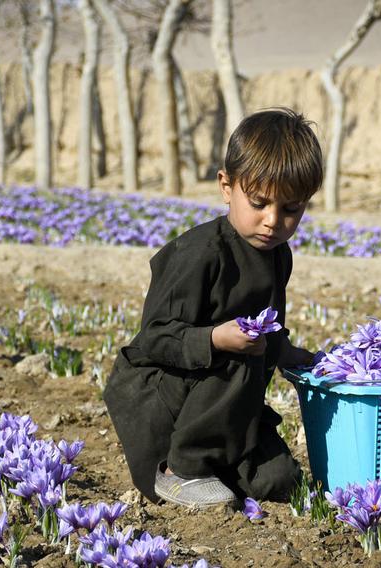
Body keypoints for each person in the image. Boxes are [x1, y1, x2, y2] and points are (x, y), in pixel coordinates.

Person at [104, 108, 321, 508]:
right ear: (226, 186)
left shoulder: (277, 255)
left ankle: (213, 463)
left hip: (224, 408)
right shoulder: (199, 254)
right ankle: (182, 471)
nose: (273, 221)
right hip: (161, 401)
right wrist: (215, 339)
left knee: (280, 481)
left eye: (291, 209)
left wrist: (291, 354)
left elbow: (268, 328)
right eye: (259, 202)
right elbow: (153, 338)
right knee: (240, 350)